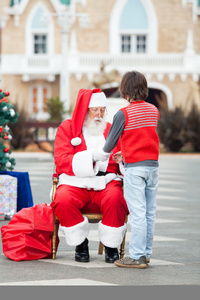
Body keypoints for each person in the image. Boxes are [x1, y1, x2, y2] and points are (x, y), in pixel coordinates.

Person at [51, 88, 128, 263]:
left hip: (105, 181)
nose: (99, 114)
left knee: (116, 198)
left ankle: (111, 245)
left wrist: (122, 159)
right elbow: (61, 160)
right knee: (62, 200)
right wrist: (91, 157)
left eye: (102, 110)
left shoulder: (110, 129)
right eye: (95, 110)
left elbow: (123, 155)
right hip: (74, 182)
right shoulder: (67, 128)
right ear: (85, 109)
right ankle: (81, 243)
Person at [103, 71, 160, 269]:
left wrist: (102, 153)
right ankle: (146, 253)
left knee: (137, 213)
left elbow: (109, 144)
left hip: (135, 170)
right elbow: (143, 139)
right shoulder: (154, 110)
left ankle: (136, 256)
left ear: (125, 90)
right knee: (149, 213)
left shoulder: (122, 113)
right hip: (152, 167)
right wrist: (126, 154)